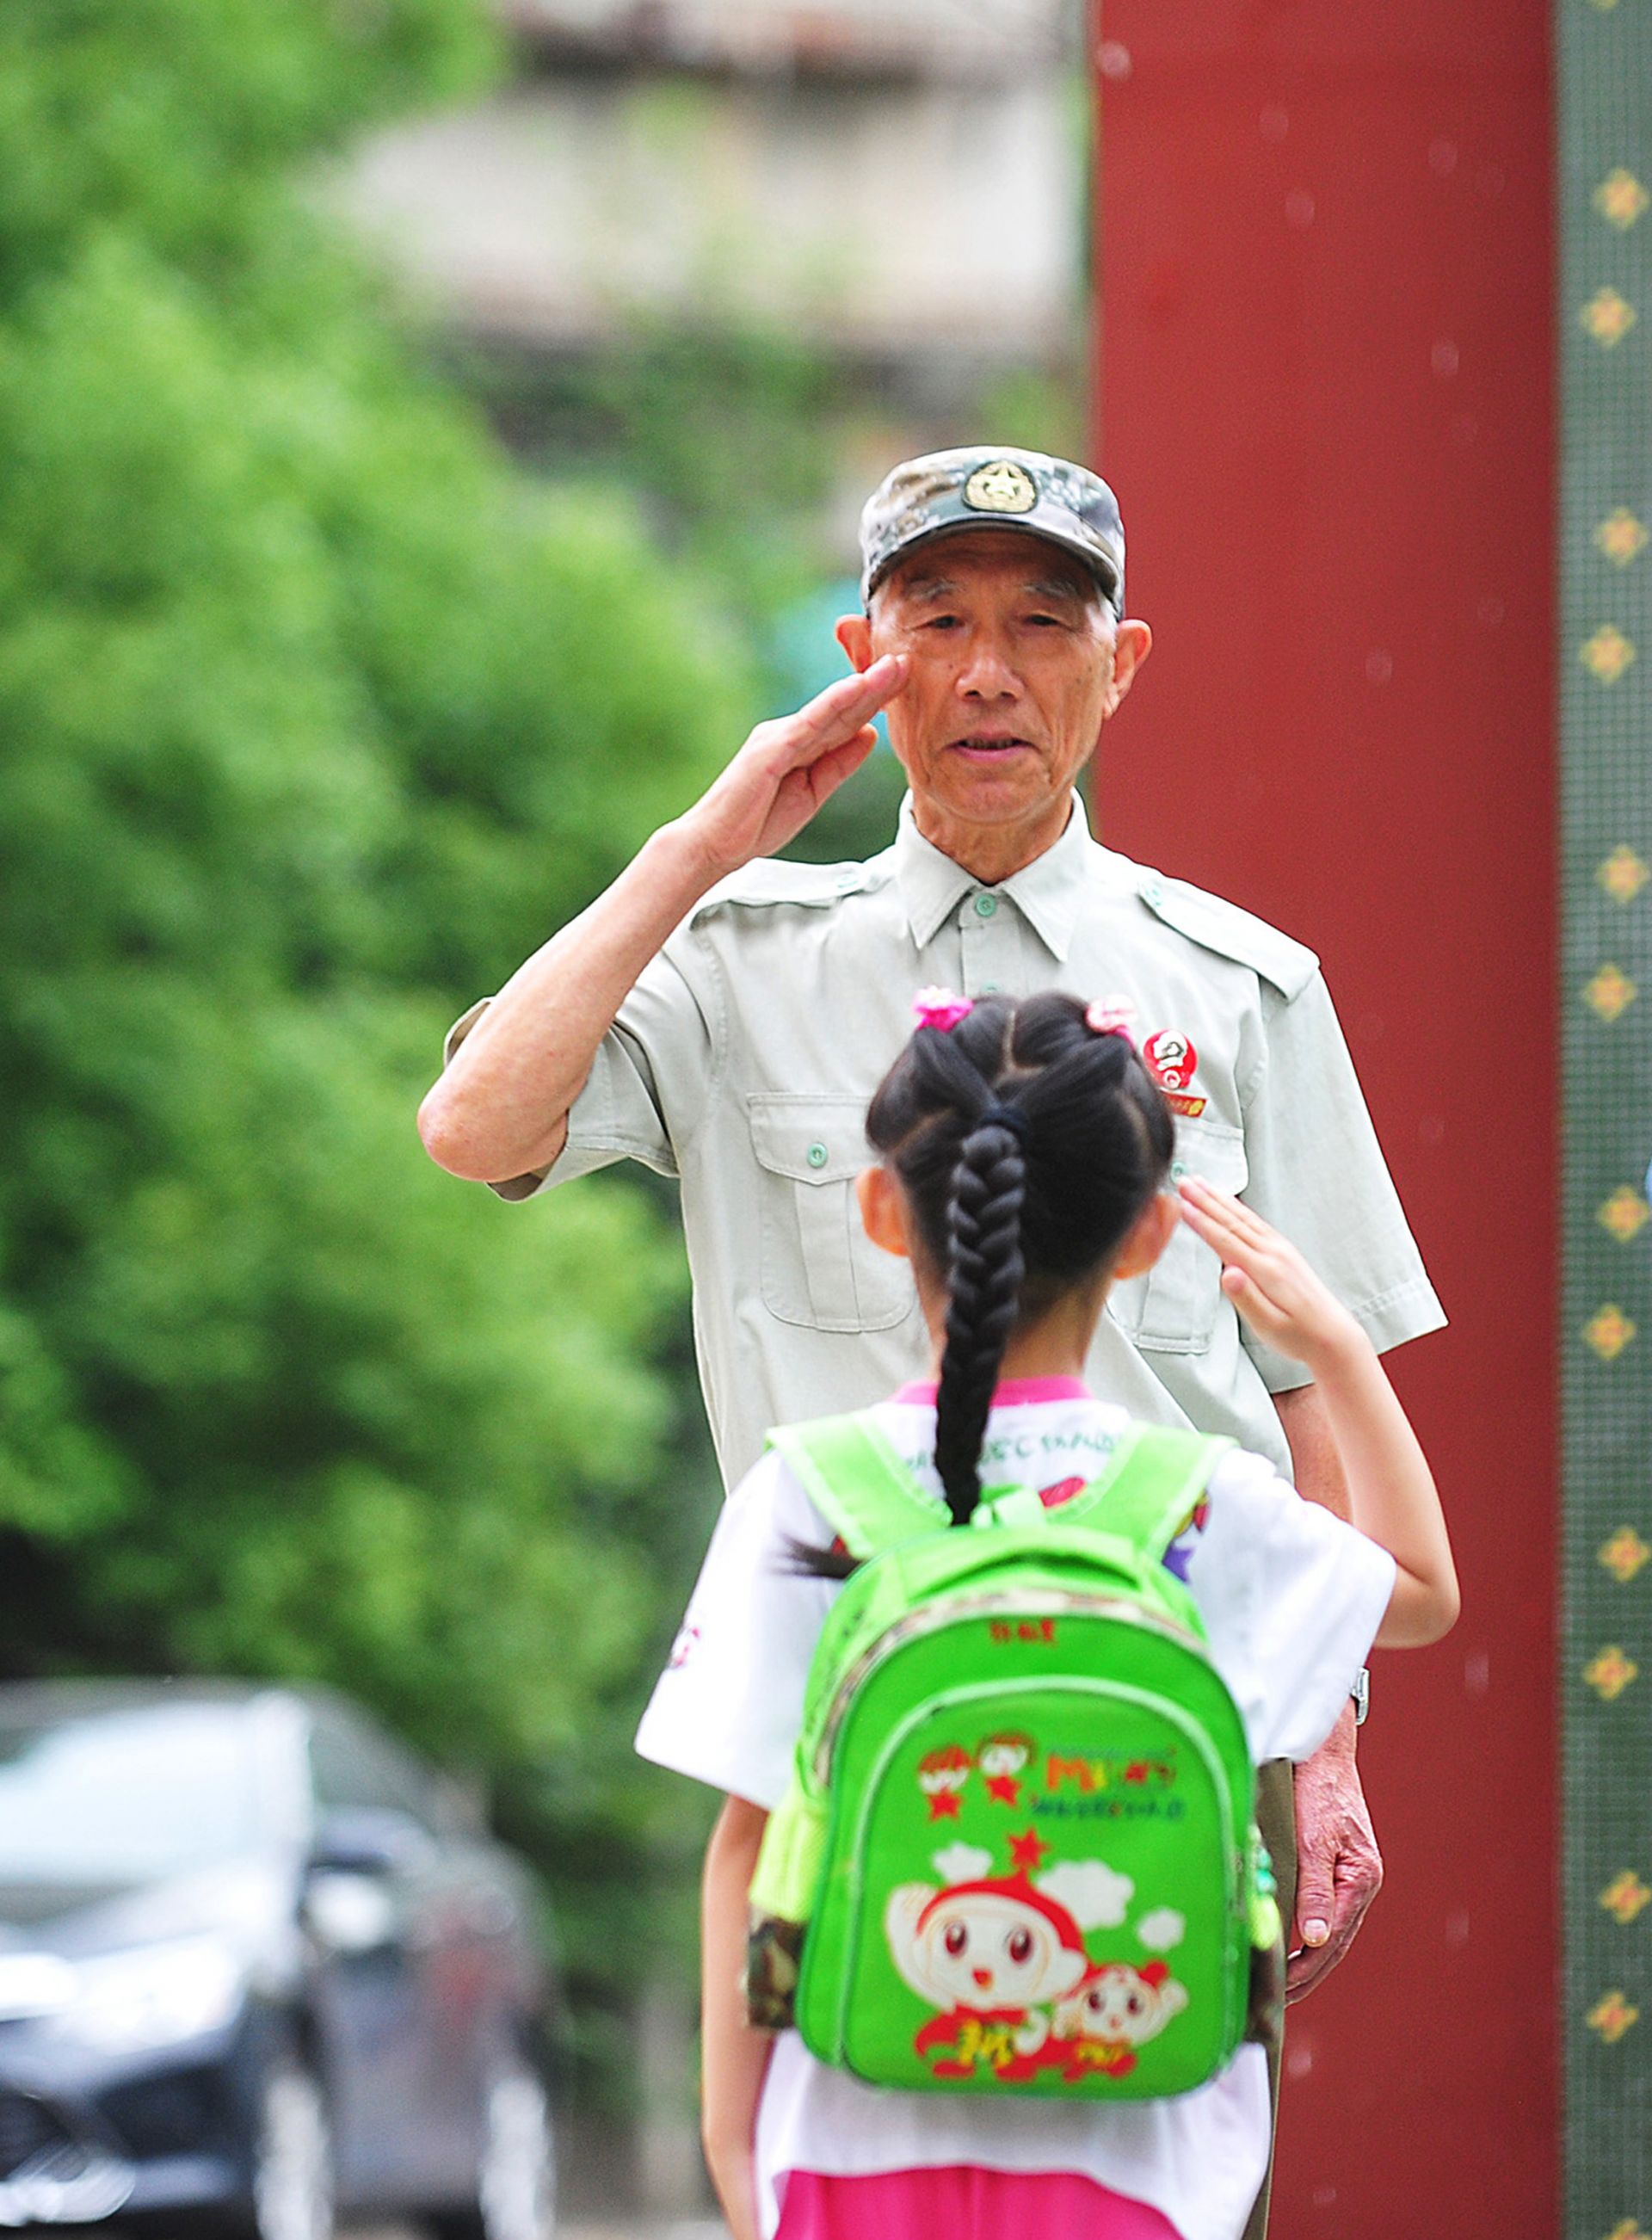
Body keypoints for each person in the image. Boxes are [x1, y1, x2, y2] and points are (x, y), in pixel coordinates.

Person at [417, 445, 1446, 2225]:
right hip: (861, 1731)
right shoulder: (736, 954)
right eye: (939, 622)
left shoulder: (1243, 988)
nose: (988, 673)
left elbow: (1313, 1372)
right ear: (860, 653)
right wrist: (698, 842)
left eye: (1045, 623)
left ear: (1123, 664)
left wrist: (1335, 1735)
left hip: (1174, 1735)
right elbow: (476, 1129)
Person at [633, 990, 1458, 2240]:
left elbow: (745, 1846)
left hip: (858, 2134)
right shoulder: (1194, 1502)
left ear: (877, 1210)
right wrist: (1335, 1347)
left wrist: (737, 2150)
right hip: (1150, 2153)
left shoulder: (810, 1494)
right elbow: (1421, 1592)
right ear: (1146, 1238)